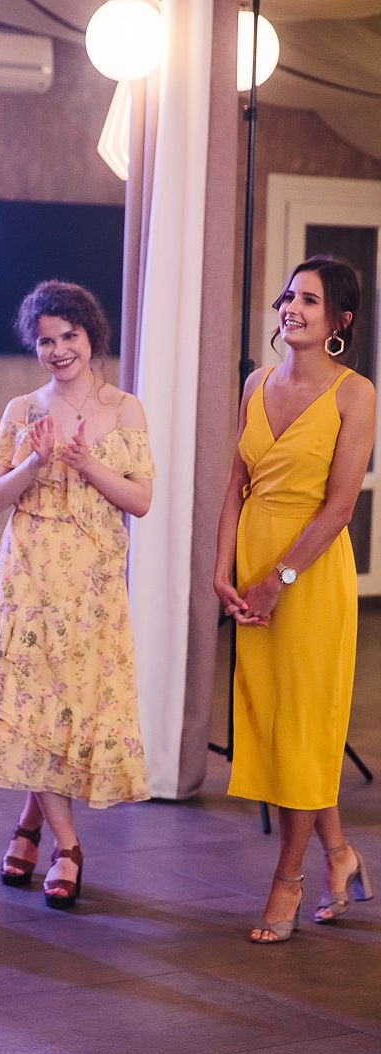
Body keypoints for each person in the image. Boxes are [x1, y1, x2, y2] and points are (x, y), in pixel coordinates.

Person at [0, 280, 155, 909]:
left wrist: (88, 463)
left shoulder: (125, 408)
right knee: (29, 702)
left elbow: (141, 501)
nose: (59, 349)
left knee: (71, 706)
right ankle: (68, 847)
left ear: (91, 335)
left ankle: (29, 823)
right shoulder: (23, 409)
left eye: (69, 335)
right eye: (46, 340)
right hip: (29, 577)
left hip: (93, 581)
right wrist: (35, 462)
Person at [214, 254, 376, 943]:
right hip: (252, 562)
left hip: (308, 577)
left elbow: (340, 508)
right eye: (288, 296)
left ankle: (288, 881)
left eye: (309, 299)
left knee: (303, 727)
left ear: (339, 319)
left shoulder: (355, 394)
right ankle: (339, 854)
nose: (291, 308)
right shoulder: (256, 382)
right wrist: (222, 571)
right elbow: (236, 486)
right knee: (280, 725)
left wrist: (276, 581)